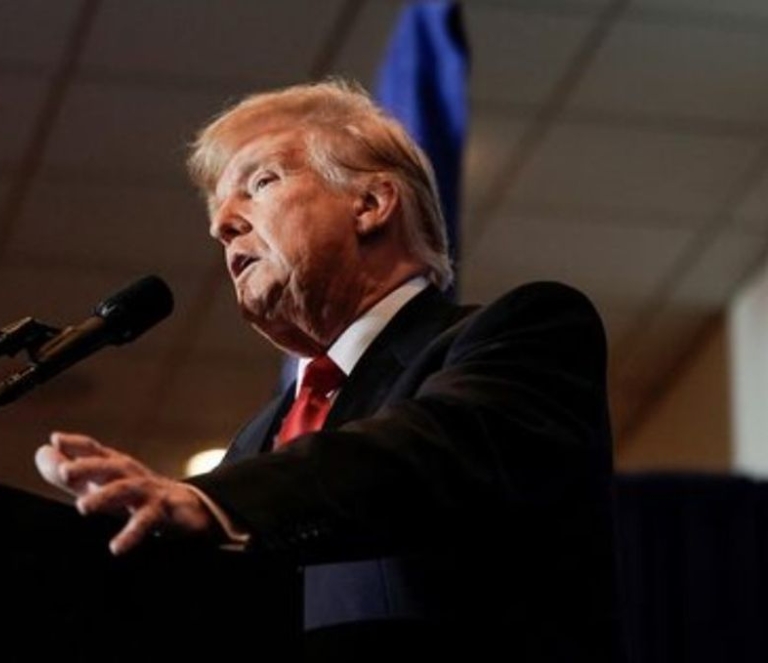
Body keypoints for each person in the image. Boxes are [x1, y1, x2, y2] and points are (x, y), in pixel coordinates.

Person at [35, 80, 621, 660]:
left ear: (370, 205)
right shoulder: (257, 440)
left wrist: (214, 504)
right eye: (218, 212)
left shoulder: (524, 331)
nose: (223, 225)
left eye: (261, 182)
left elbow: (425, 453)